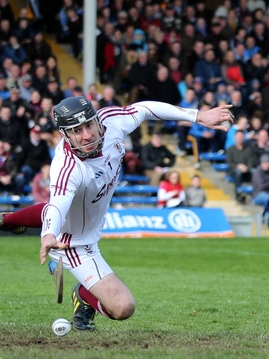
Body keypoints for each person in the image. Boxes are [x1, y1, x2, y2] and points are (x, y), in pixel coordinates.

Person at [0, 96, 233, 331]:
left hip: (89, 217)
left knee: (74, 207)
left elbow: (144, 109)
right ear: (64, 135)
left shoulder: (110, 121)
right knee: (123, 308)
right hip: (71, 243)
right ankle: (83, 293)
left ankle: (7, 220)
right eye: (76, 130)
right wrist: (48, 235)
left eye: (89, 125)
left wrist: (198, 115)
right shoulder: (68, 168)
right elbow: (57, 203)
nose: (87, 135)